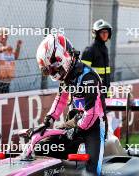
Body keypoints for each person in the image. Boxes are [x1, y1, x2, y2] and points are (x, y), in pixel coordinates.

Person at [34, 33, 107, 175]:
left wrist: (75, 130)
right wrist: (48, 121)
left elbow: (92, 113)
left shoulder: (88, 77)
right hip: (75, 122)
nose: (53, 73)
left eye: (53, 68)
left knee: (92, 171)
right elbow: (60, 99)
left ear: (63, 58)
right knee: (42, 147)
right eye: (49, 70)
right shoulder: (66, 77)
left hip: (95, 126)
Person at [81, 19, 112, 97]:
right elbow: (83, 74)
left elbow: (106, 73)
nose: (105, 34)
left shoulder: (104, 49)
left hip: (104, 90)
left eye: (106, 32)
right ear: (96, 34)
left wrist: (107, 92)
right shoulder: (89, 50)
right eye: (102, 32)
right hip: (93, 92)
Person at [0, 27, 22, 94]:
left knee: (4, 100)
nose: (3, 37)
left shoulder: (7, 46)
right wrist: (4, 48)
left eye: (5, 35)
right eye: (1, 35)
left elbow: (15, 57)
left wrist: (18, 47)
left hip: (6, 79)